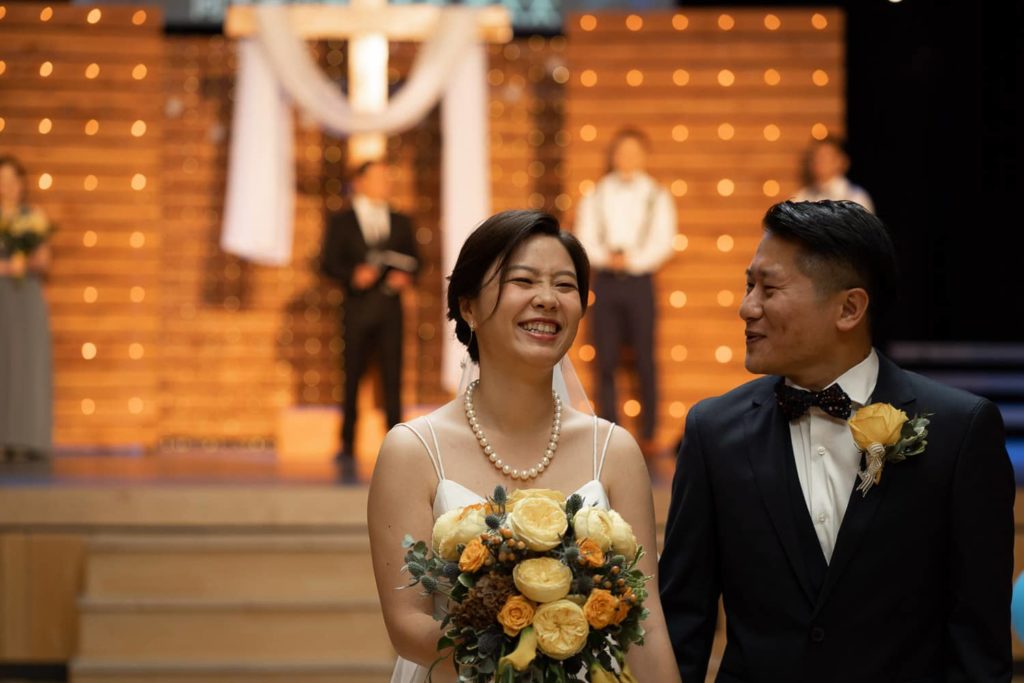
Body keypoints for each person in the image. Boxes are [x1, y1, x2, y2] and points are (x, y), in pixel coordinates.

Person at [659, 200, 1013, 682]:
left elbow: (978, 640)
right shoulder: (713, 431)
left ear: (849, 308)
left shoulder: (959, 429)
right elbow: (683, 623)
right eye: (749, 285)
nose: (747, 308)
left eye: (769, 288)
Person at [368, 210, 680, 682]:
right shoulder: (412, 450)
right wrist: (535, 645)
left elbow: (648, 620)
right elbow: (407, 623)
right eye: (524, 280)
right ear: (469, 306)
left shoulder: (613, 449)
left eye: (565, 285)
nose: (548, 299)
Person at [575, 128, 677, 456]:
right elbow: (584, 238)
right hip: (604, 281)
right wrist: (609, 258)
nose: (627, 158)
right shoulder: (597, 194)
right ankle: (609, 431)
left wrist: (631, 260)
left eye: (634, 152)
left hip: (640, 281)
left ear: (644, 155)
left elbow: (664, 241)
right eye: (622, 151)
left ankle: (648, 434)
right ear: (614, 155)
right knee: (605, 358)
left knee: (645, 358)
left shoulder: (657, 195)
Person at [320, 160, 419, 475]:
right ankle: (347, 444)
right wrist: (353, 275)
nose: (384, 183)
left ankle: (398, 445)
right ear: (359, 182)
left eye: (388, 177)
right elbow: (327, 262)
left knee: (393, 378)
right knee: (351, 378)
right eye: (377, 178)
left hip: (390, 310)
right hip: (357, 309)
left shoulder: (401, 220)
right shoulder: (342, 221)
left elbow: (417, 260)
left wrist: (406, 276)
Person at [0, 155, 53, 460]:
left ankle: (27, 438)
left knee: (26, 366)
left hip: (26, 298)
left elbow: (44, 260)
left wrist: (23, 263)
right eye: (1, 181)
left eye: (11, 180)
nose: (6, 187)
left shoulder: (33, 216)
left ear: (21, 184)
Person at [793, 136, 875, 213]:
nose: (818, 161)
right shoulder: (802, 196)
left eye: (824, 156)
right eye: (815, 156)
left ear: (842, 161)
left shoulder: (856, 197)